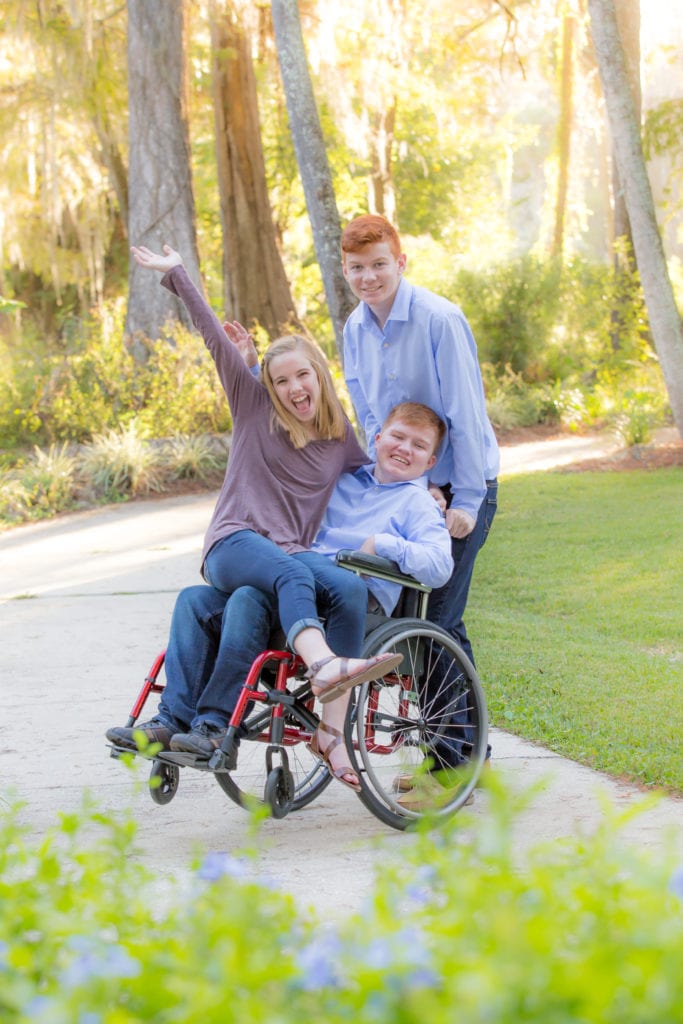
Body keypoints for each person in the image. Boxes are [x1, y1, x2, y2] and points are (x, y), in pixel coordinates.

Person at [107, 402, 453, 791]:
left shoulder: (418, 503)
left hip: (346, 600)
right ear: (376, 439)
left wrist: (386, 544)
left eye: (418, 445)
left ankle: (217, 722)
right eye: (397, 436)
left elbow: (440, 566)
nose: (405, 448)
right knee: (196, 600)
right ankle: (176, 720)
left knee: (251, 599)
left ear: (430, 462)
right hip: (291, 581)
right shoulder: (342, 480)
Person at [126, 244, 402, 715]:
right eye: (280, 381)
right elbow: (214, 337)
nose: (294, 389)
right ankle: (324, 668)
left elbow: (382, 473)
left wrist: (431, 488)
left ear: (319, 375)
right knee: (292, 571)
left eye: (302, 376)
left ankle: (332, 729)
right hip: (234, 543)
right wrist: (178, 275)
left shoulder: (340, 440)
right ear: (268, 388)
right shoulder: (254, 409)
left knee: (348, 587)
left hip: (287, 553)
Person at [340, 214, 499, 771]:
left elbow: (466, 417)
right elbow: (369, 418)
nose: (368, 277)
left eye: (379, 264)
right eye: (357, 268)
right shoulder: (354, 329)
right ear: (345, 270)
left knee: (440, 622)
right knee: (408, 625)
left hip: (459, 488)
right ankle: (452, 749)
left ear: (400, 262)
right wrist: (394, 488)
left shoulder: (439, 320)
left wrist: (466, 502)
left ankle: (457, 761)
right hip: (408, 490)